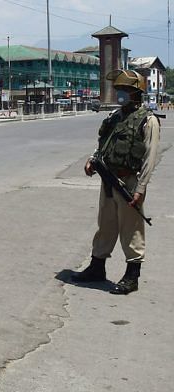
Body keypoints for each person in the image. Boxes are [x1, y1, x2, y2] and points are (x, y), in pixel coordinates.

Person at [73, 69, 160, 295]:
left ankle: (132, 277)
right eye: (118, 89)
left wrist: (140, 189)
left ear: (135, 92)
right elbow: (103, 143)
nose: (119, 93)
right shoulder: (115, 117)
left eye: (124, 90)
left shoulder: (148, 120)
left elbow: (150, 158)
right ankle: (96, 268)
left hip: (129, 182)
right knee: (106, 225)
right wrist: (92, 160)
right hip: (108, 179)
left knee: (131, 229)